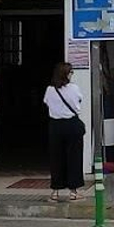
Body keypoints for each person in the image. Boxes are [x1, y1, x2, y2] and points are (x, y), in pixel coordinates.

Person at [43, 62, 86, 202]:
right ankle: (74, 191)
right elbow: (79, 101)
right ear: (66, 74)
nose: (72, 74)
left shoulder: (50, 89)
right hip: (72, 124)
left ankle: (55, 191)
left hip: (55, 125)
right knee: (74, 157)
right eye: (71, 72)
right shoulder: (74, 88)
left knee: (56, 157)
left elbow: (47, 103)